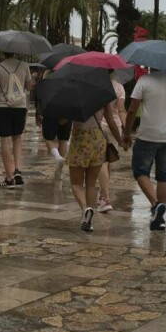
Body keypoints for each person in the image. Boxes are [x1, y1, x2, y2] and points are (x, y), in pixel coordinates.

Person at [122, 69, 166, 231]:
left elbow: (131, 109)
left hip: (147, 135)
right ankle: (159, 218)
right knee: (163, 176)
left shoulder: (144, 80)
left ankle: (156, 205)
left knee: (140, 170)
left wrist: (126, 133)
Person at [68, 94, 123, 232]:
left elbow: (63, 121)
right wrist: (121, 141)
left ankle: (85, 208)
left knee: (76, 183)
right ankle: (89, 218)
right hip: (98, 140)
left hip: (80, 138)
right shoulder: (101, 97)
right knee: (91, 184)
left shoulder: (74, 97)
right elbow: (111, 122)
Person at [0, 52, 33, 188]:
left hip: (4, 107)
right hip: (20, 107)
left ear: (2, 53)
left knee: (5, 141)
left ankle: (9, 177)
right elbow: (29, 87)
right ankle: (17, 169)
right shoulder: (24, 66)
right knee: (17, 138)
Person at [95, 72, 126, 212]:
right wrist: (126, 130)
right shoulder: (119, 87)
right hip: (116, 126)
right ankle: (103, 193)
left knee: (102, 161)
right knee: (109, 159)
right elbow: (121, 110)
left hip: (100, 124)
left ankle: (105, 197)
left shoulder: (97, 85)